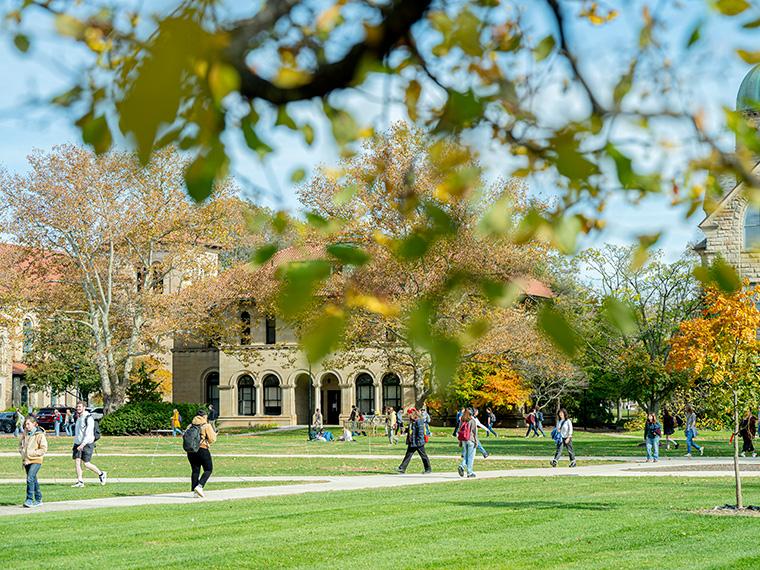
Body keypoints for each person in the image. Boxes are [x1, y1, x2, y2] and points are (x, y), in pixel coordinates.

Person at [71, 401, 107, 488]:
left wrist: (82, 444)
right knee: (77, 462)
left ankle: (101, 474)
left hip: (87, 444)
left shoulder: (88, 418)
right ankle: (80, 481)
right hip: (77, 443)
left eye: (80, 407)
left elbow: (88, 434)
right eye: (77, 407)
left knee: (86, 463)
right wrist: (76, 443)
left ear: (84, 407)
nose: (78, 408)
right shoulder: (78, 418)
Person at [185, 409, 217, 498]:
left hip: (191, 451)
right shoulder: (206, 426)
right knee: (208, 469)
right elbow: (212, 439)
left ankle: (195, 492)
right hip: (202, 449)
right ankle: (200, 486)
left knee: (195, 470)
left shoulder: (190, 425)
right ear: (204, 417)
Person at [19, 413, 47, 508]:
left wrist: (32, 453)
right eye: (25, 424)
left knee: (30, 478)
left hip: (36, 460)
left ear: (34, 424)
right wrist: (23, 452)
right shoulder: (25, 434)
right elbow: (21, 445)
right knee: (33, 479)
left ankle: (29, 499)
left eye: (28, 424)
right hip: (26, 460)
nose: (26, 426)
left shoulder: (39, 435)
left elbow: (43, 449)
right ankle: (38, 499)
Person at [397, 409, 432, 474]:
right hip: (412, 442)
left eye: (408, 414)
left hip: (418, 442)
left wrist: (419, 441)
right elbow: (412, 430)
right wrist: (405, 430)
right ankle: (402, 468)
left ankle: (428, 469)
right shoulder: (412, 421)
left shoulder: (419, 421)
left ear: (412, 414)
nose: (408, 416)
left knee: (423, 456)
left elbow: (420, 432)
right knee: (408, 455)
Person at [456, 408, 478, 477]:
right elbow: (475, 433)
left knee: (465, 455)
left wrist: (460, 441)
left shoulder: (462, 421)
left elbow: (459, 431)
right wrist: (476, 442)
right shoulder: (472, 421)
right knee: (471, 457)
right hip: (471, 440)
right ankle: (469, 472)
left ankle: (462, 466)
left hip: (464, 440)